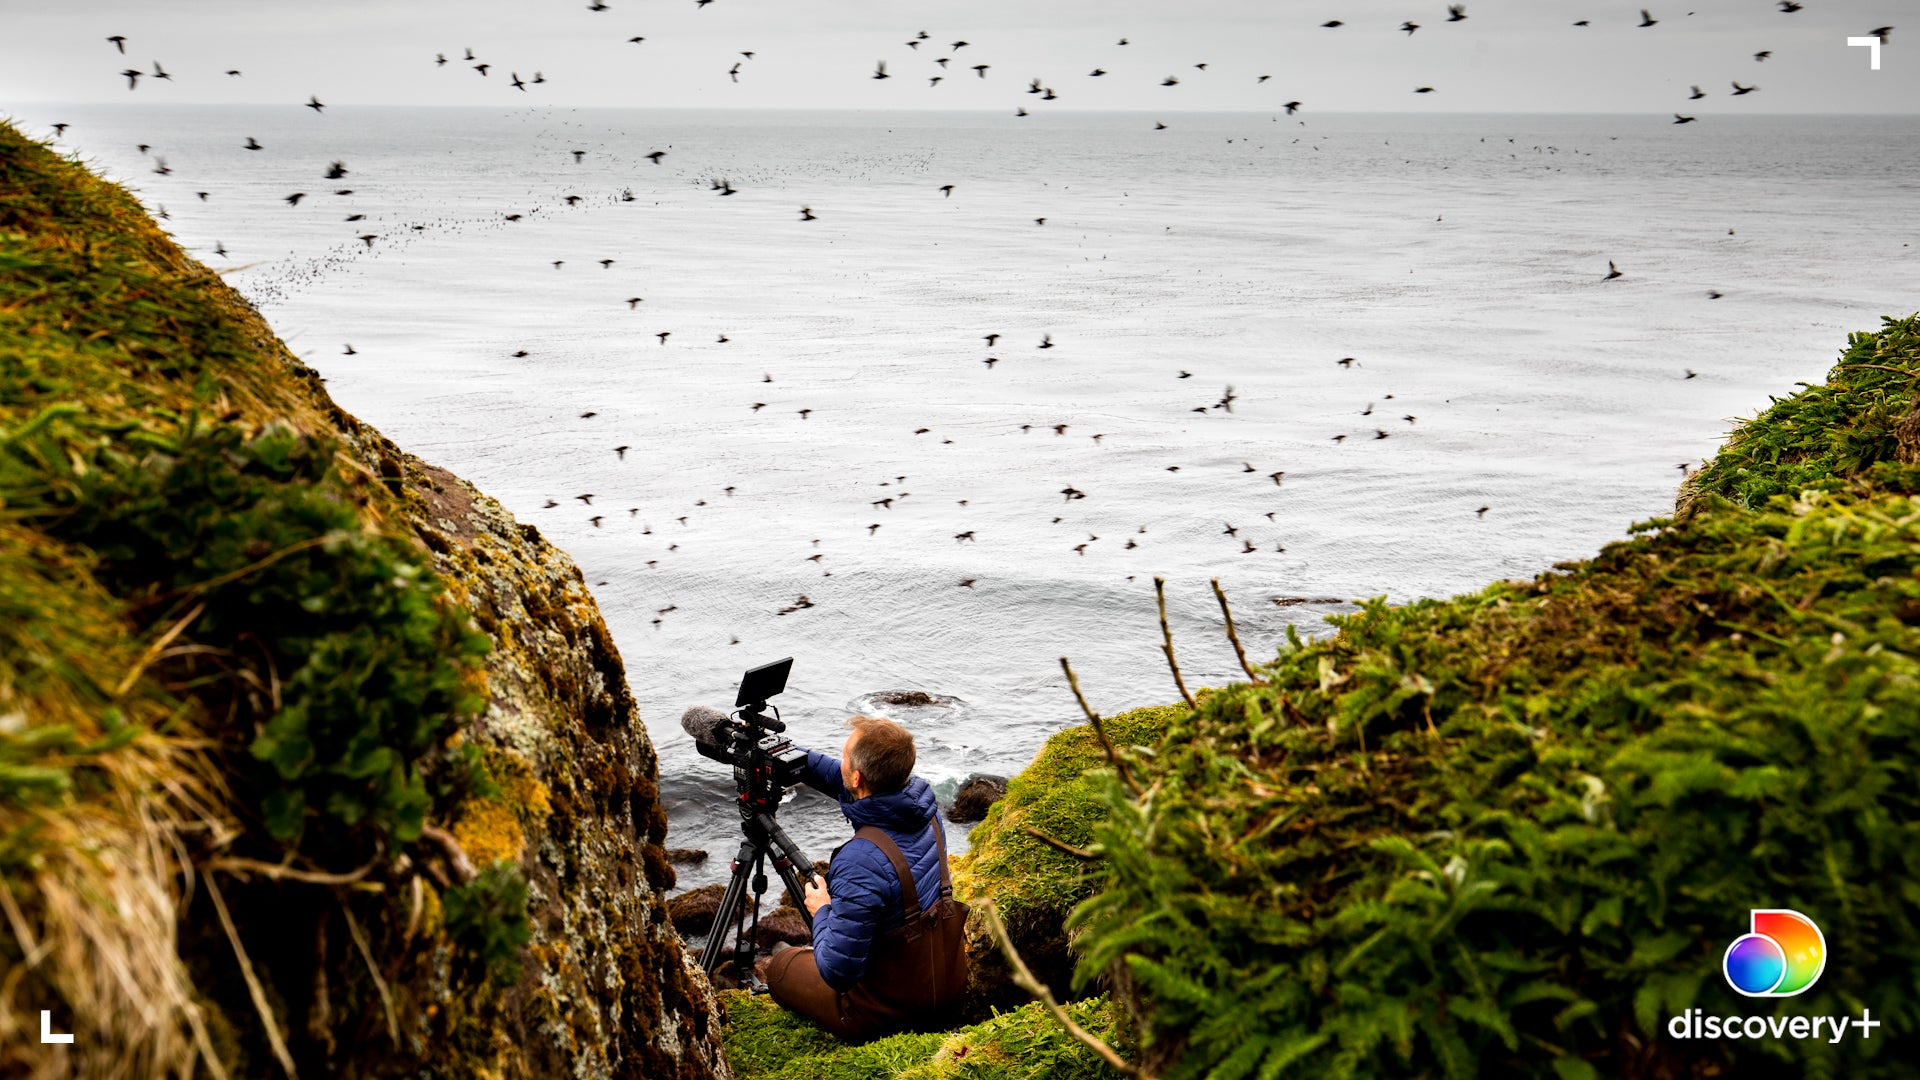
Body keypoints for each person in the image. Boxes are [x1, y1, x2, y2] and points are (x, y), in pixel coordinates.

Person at [757, 714, 968, 1042]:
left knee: (780, 966)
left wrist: (822, 909)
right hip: (945, 987)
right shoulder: (924, 810)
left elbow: (839, 972)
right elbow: (833, 775)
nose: (839, 763)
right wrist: (775, 750)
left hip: (885, 1012)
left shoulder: (861, 860)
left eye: (844, 756)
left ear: (856, 778)